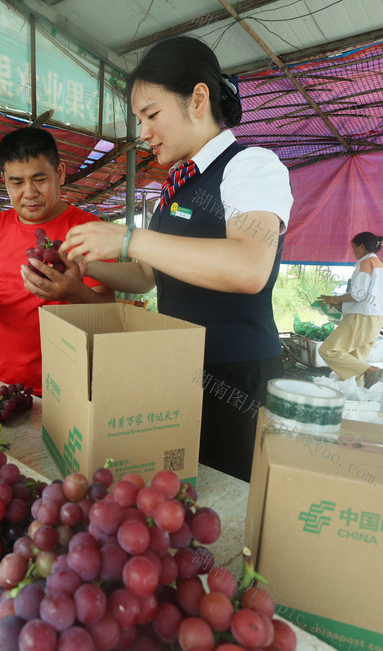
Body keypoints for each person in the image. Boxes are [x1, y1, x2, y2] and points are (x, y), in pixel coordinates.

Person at [58, 37, 293, 483]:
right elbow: (147, 275)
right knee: (183, 491)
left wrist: (131, 238)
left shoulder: (252, 166)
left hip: (236, 375)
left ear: (198, 98)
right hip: (180, 367)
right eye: (140, 119)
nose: (143, 132)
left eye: (152, 114)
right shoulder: (176, 186)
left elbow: (249, 267)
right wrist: (86, 264)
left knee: (230, 502)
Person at [0, 127, 114, 395]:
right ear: (5, 180)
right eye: (17, 183)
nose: (29, 193)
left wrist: (75, 293)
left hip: (64, 388)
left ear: (61, 173)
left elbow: (107, 313)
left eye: (39, 179)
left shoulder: (89, 230)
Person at [317, 232, 383, 388]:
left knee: (329, 350)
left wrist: (334, 299)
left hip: (361, 317)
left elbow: (358, 294)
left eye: (354, 247)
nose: (353, 251)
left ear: (362, 246)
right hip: (376, 319)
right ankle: (354, 399)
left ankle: (370, 370)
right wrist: (340, 305)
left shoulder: (366, 263)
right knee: (353, 362)